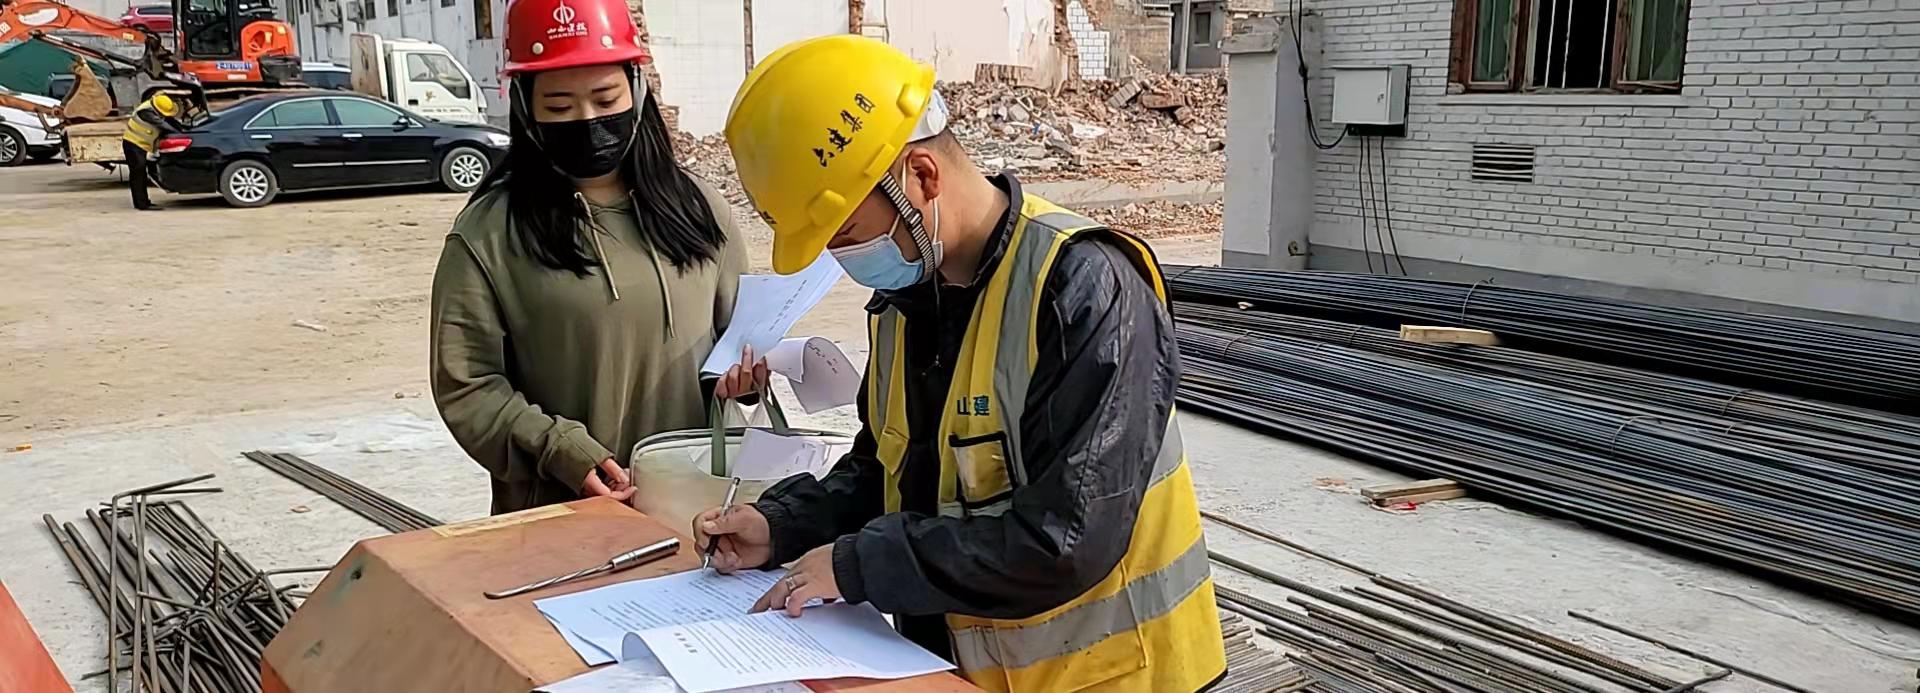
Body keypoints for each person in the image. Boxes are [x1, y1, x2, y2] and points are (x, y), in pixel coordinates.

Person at [697, 36, 1227, 692]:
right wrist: (781, 524)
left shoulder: (1084, 289)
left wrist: (862, 563)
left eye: (845, 235)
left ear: (922, 177)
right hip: (961, 673)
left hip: (1117, 678)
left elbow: (1065, 542)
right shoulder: (902, 305)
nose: (843, 259)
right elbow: (886, 472)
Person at [429, 0, 763, 515]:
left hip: (697, 510)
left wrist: (747, 377)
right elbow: (467, 385)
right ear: (525, 108)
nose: (587, 120)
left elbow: (740, 339)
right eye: (560, 106)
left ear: (637, 88)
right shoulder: (489, 234)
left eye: (605, 97)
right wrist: (560, 451)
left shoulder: (699, 209)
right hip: (563, 517)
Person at [120, 92, 183, 211]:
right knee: (138, 173)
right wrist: (180, 132)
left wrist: (182, 127)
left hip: (139, 145)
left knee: (141, 173)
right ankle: (141, 204)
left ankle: (143, 202)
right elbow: (164, 125)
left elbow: (168, 120)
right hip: (133, 144)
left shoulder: (154, 107)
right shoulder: (146, 112)